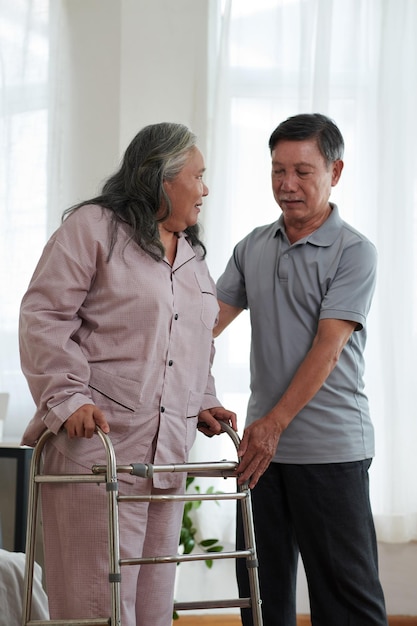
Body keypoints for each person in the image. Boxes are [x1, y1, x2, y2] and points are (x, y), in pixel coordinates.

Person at [19, 122, 236, 626]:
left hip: (167, 460)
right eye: (198, 176)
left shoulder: (191, 256)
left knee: (154, 606)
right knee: (97, 606)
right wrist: (67, 398)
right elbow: (44, 316)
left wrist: (204, 397)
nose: (205, 189)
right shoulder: (93, 228)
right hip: (99, 452)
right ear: (161, 177)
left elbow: (194, 340)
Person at [215, 113, 388, 625]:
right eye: (277, 171)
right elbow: (203, 326)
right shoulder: (252, 247)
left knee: (346, 602)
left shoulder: (354, 252)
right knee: (261, 599)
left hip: (331, 450)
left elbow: (327, 348)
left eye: (303, 172)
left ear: (335, 172)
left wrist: (272, 424)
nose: (287, 185)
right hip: (261, 454)